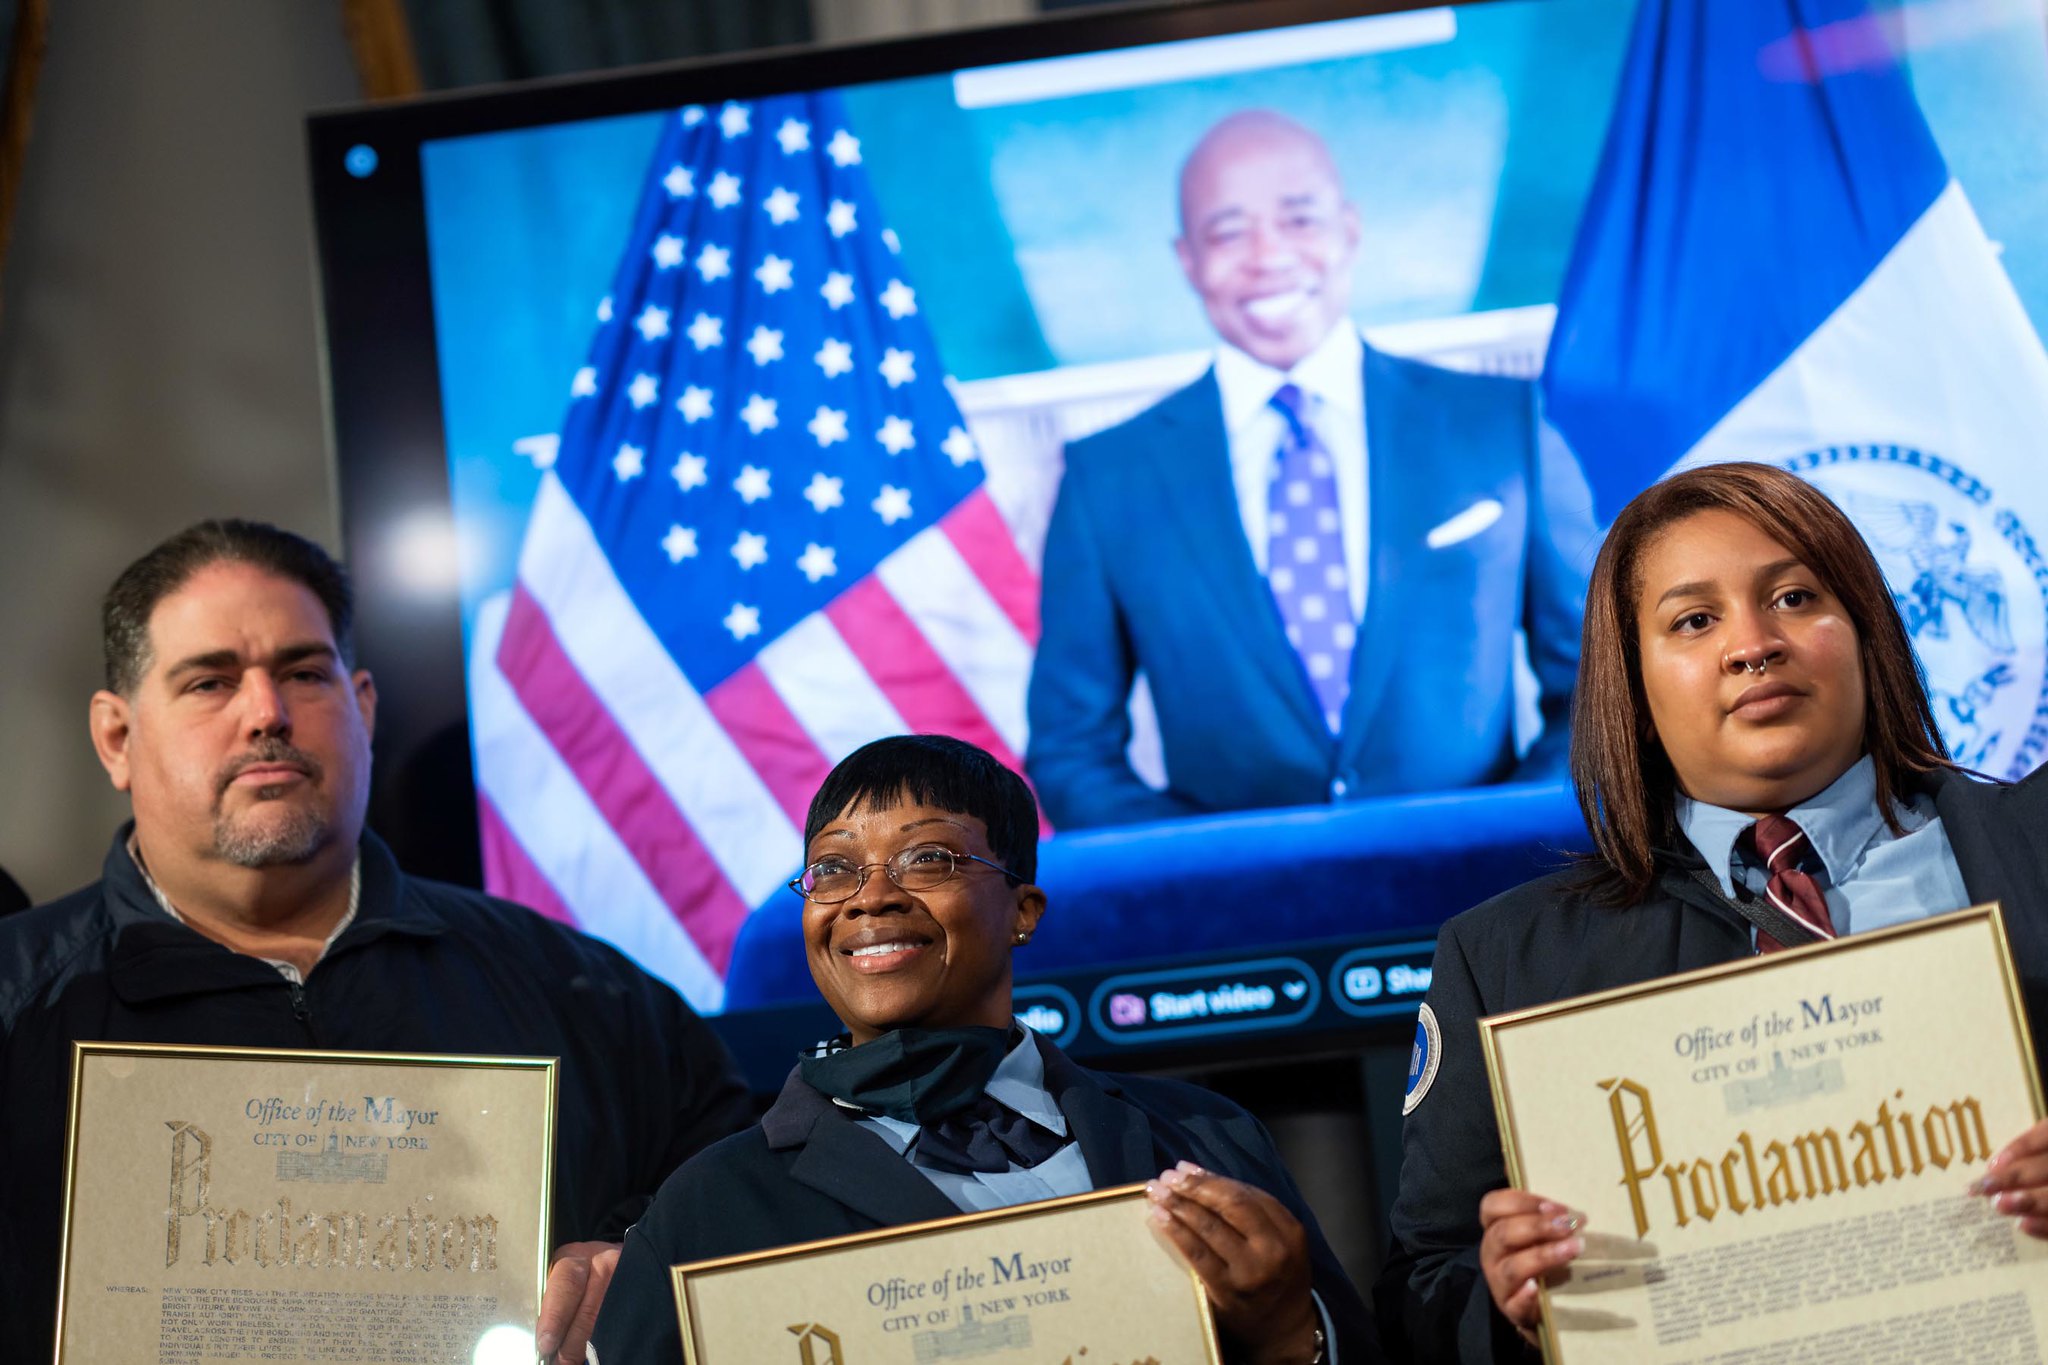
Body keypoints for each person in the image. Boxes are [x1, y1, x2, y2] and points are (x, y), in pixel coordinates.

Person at [0, 520, 752, 1364]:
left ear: (361, 706)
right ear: (116, 737)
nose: (267, 713)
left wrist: (642, 1256)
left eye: (304, 672)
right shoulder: (19, 1004)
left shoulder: (585, 993)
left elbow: (752, 1197)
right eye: (210, 681)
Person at [1373, 463, 2048, 1362]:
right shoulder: (1505, 962)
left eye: (1797, 596)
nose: (1754, 643)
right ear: (1633, 685)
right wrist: (1502, 1296)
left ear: (1866, 631)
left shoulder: (2031, 842)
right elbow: (1421, 1292)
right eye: (1695, 620)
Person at [590, 734, 1376, 1363]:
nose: (871, 896)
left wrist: (1286, 1338)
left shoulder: (1207, 1137)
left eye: (926, 858)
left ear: (1023, 909)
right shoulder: (705, 1211)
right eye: (833, 869)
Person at [1026, 109, 1599, 830]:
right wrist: (1211, 879)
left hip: (1501, 899)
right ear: (1186, 259)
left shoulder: (1501, 424)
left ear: (1349, 229)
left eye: (1298, 219)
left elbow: (1594, 686)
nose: (1267, 254)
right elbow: (1070, 750)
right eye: (1228, 230)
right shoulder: (1104, 479)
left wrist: (1508, 840)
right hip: (1242, 927)